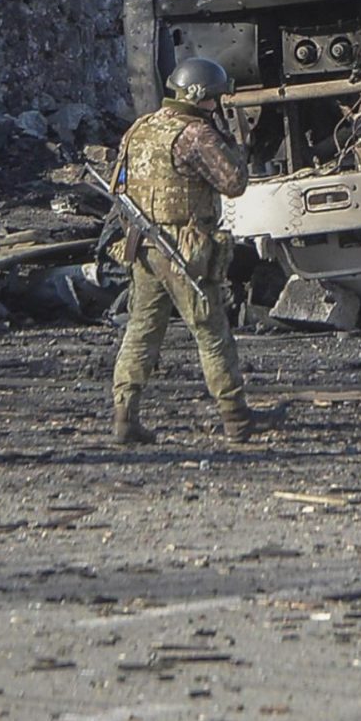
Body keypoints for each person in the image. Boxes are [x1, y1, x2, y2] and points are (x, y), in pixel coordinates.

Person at [109, 56, 259, 445]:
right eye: (214, 100)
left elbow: (119, 184)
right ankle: (236, 418)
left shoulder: (140, 128)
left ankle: (125, 415)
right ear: (202, 97)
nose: (217, 106)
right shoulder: (195, 134)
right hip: (185, 247)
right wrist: (231, 141)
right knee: (211, 330)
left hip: (143, 243)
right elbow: (234, 182)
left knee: (141, 329)